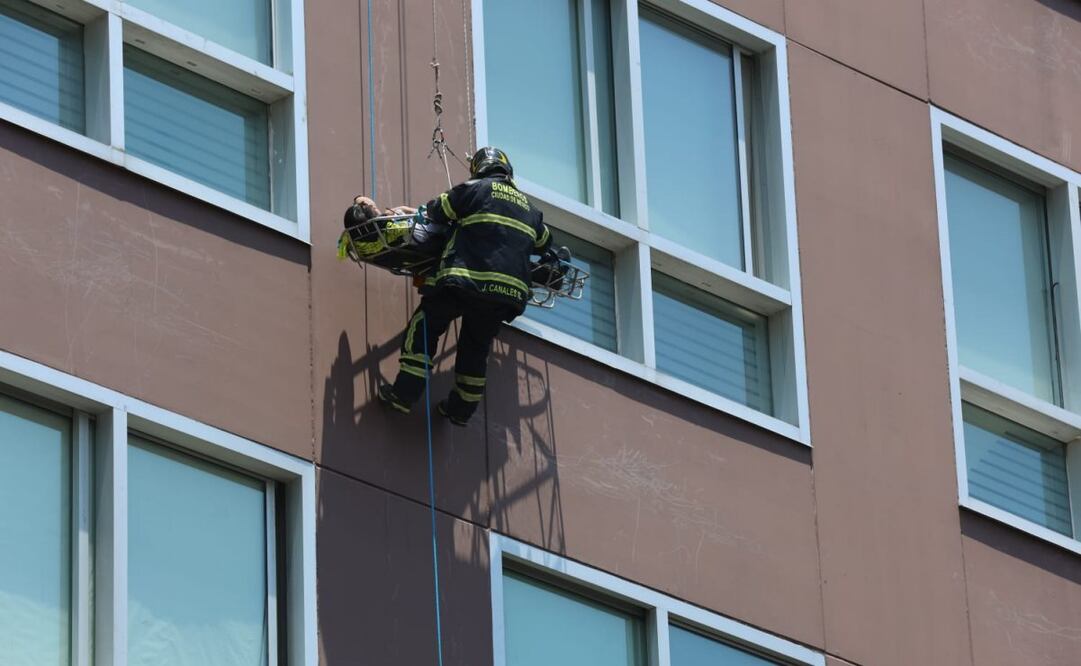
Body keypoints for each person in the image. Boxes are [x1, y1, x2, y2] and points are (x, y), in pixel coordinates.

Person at [377, 146, 552, 426]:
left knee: (425, 326)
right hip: (508, 296)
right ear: (507, 171)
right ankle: (460, 411)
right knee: (475, 347)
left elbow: (436, 211)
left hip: (466, 281)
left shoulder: (475, 189)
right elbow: (545, 243)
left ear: (480, 168)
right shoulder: (532, 210)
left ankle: (405, 392)